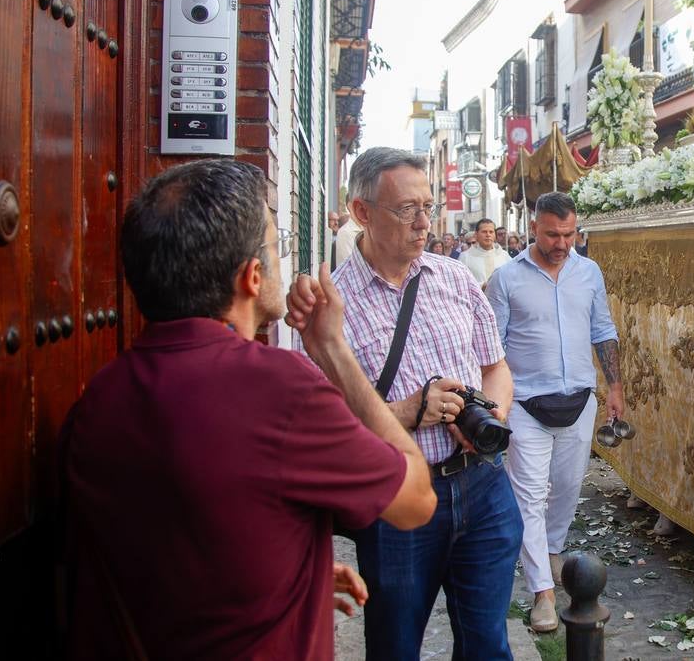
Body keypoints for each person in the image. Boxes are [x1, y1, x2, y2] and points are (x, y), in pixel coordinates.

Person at [62, 159, 435, 660]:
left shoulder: (99, 398)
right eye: (277, 247)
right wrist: (333, 350)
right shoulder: (282, 389)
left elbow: (186, 531)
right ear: (253, 277)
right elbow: (414, 501)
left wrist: (284, 570)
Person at [309, 147, 523, 660]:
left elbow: (496, 368)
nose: (425, 222)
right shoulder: (332, 310)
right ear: (361, 212)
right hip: (398, 500)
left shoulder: (453, 278)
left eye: (428, 206)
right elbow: (327, 431)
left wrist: (491, 417)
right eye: (407, 209)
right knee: (395, 645)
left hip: (483, 485)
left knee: (488, 645)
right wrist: (410, 411)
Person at [486, 193, 623, 632]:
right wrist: (498, 406)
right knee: (528, 496)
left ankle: (550, 551)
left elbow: (603, 329)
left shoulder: (590, 272)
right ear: (533, 228)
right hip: (525, 404)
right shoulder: (506, 278)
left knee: (565, 489)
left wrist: (615, 387)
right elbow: (493, 349)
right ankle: (542, 593)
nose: (563, 243)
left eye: (569, 234)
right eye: (552, 234)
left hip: (580, 401)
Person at [460, 217, 512, 288]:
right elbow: (461, 283)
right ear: (476, 234)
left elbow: (512, 279)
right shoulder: (465, 257)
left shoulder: (504, 255)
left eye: (491, 232)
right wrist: (482, 286)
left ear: (494, 235)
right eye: (484, 232)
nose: (488, 235)